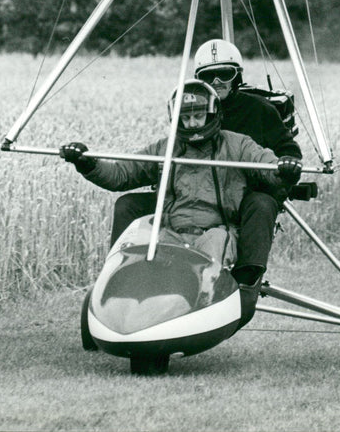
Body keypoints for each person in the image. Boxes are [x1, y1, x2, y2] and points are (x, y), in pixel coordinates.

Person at [61, 80, 302, 327]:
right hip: (171, 231)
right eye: (186, 118)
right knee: (145, 265)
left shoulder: (237, 144)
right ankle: (120, 295)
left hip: (216, 231)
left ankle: (213, 310)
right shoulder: (166, 148)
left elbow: (267, 166)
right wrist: (86, 163)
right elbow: (121, 174)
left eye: (198, 116)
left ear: (212, 115)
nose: (193, 124)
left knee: (204, 276)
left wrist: (284, 170)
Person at [109, 40, 302, 320]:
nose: (217, 81)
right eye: (208, 76)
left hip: (239, 196)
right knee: (128, 204)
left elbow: (287, 154)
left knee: (260, 203)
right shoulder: (189, 113)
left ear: (237, 75)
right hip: (187, 194)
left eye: (225, 74)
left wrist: (283, 170)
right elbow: (128, 170)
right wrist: (87, 164)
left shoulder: (257, 113)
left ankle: (246, 280)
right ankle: (122, 275)